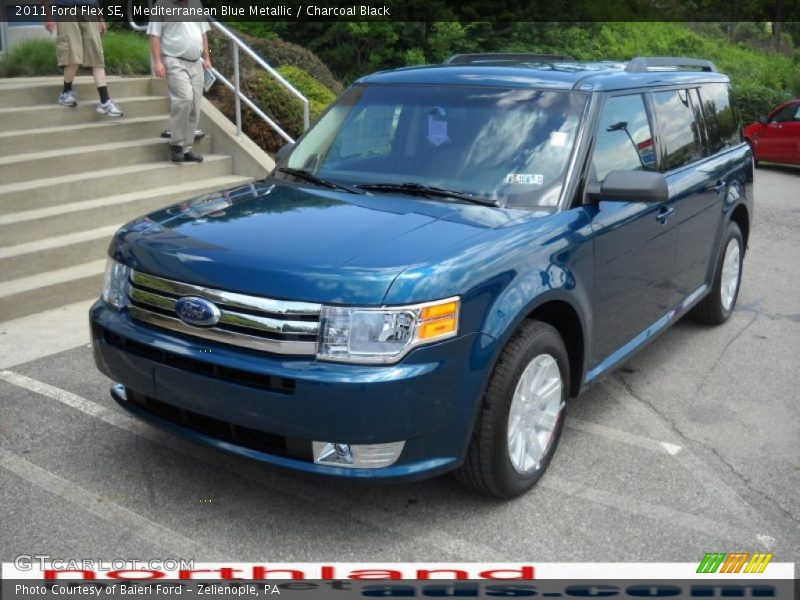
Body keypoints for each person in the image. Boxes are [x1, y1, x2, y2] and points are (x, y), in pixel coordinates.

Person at [147, 0, 211, 163]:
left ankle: (187, 148)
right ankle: (176, 145)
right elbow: (154, 35)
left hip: (196, 62)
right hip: (174, 59)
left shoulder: (196, 4)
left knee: (195, 105)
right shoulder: (161, 5)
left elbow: (203, 34)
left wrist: (207, 58)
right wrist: (157, 62)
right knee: (184, 99)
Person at [43, 0, 123, 117]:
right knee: (72, 55)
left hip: (89, 10)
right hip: (67, 10)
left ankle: (105, 102)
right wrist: (48, 16)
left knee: (96, 58)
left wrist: (100, 18)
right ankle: (66, 93)